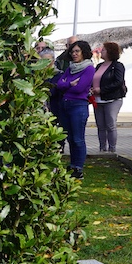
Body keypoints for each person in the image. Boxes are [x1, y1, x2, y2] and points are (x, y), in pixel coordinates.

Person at [53, 40, 94, 179]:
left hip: (78, 106)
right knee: (69, 138)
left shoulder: (89, 68)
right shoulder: (70, 68)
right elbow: (59, 84)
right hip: (65, 105)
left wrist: (67, 85)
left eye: (77, 51)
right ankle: (73, 165)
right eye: (72, 52)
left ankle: (78, 167)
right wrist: (70, 83)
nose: (74, 54)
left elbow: (80, 88)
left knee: (77, 139)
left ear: (84, 52)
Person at [91, 41, 126, 154]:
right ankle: (102, 148)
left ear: (110, 52)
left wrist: (102, 90)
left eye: (104, 50)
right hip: (98, 99)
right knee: (100, 125)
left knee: (110, 124)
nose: (101, 51)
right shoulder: (99, 65)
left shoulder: (117, 65)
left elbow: (118, 81)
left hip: (112, 99)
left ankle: (112, 149)